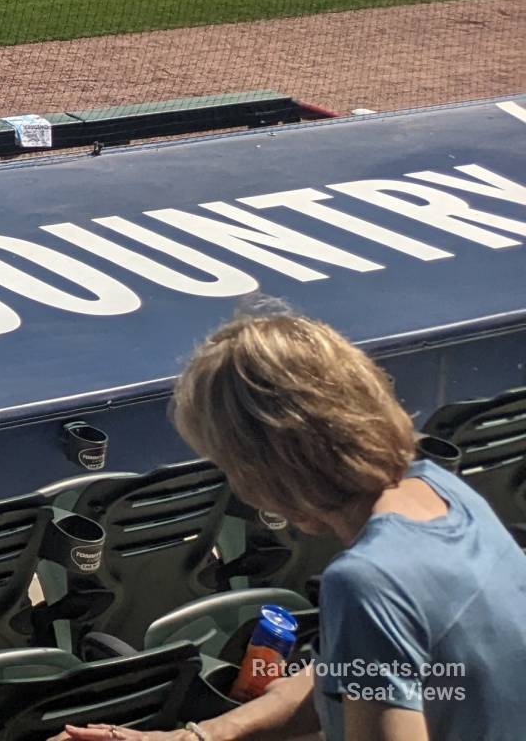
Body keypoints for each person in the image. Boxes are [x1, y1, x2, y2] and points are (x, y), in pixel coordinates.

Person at [55, 306, 526, 741]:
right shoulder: (443, 492)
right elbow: (360, 678)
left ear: (269, 468)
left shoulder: (367, 583)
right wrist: (194, 737)